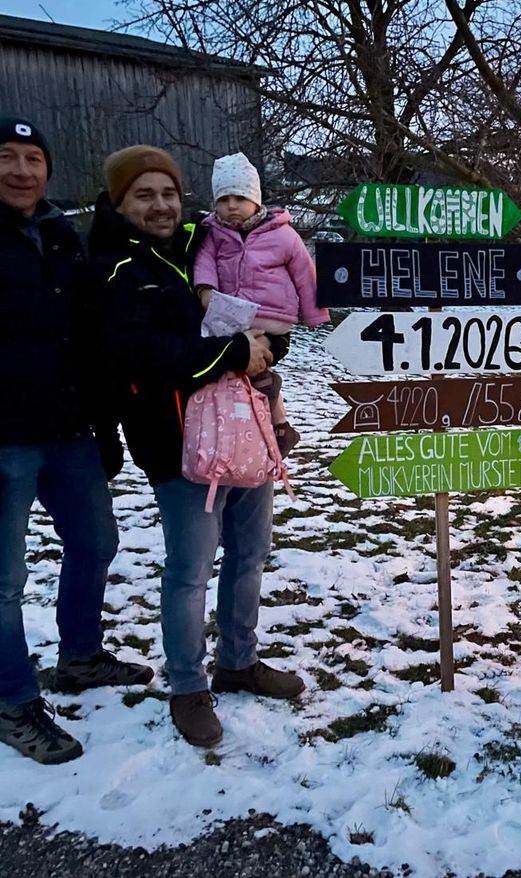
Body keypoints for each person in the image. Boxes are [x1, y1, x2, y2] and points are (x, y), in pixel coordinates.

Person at [0, 117, 153, 765]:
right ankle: (16, 705)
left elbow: (87, 342)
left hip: (69, 433)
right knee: (1, 577)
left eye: (34, 158)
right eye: (7, 157)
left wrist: (104, 429)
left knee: (96, 543)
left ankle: (80, 657)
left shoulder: (58, 234)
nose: (22, 170)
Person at [90, 145, 304, 749]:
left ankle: (238, 661)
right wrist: (236, 352)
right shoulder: (115, 270)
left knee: (250, 554)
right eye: (144, 195)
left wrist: (271, 344)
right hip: (178, 447)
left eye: (168, 193)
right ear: (120, 202)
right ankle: (187, 686)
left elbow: (263, 305)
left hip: (247, 431)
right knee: (191, 570)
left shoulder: (203, 242)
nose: (160, 205)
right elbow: (146, 357)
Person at [192, 152, 328, 455]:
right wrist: (205, 290)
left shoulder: (282, 234)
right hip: (232, 316)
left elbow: (305, 274)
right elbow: (203, 262)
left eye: (240, 198)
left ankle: (267, 420)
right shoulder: (214, 234)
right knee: (246, 367)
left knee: (251, 362)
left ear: (256, 200)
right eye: (223, 199)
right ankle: (277, 425)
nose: (231, 206)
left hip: (272, 317)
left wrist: (314, 314)